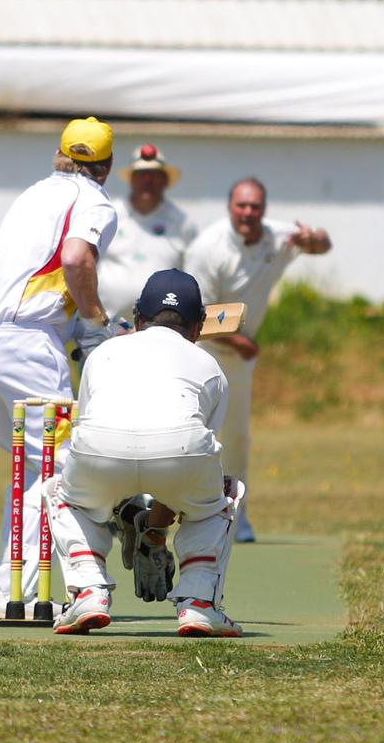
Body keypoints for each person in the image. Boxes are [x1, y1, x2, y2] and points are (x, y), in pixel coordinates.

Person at [0, 119, 119, 614]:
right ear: (106, 168)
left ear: (58, 154)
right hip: (23, 345)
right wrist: (94, 320)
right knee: (65, 467)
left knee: (30, 470)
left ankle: (10, 590)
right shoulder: (95, 200)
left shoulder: (32, 194)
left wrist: (87, 327)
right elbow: (75, 257)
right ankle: (85, 588)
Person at [40, 269, 244, 637]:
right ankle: (199, 603)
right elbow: (192, 464)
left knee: (62, 493)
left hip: (100, 450)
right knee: (220, 496)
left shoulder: (102, 354)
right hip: (180, 454)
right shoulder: (211, 368)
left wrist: (137, 518)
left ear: (137, 319)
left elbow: (91, 430)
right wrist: (154, 530)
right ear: (198, 327)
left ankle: (88, 590)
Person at [184, 177, 332, 542]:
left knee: (236, 438)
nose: (248, 213)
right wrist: (240, 341)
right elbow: (196, 315)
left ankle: (237, 517)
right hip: (202, 351)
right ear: (230, 207)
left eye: (254, 207)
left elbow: (323, 245)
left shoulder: (277, 236)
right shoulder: (208, 249)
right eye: (241, 206)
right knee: (194, 434)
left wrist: (316, 240)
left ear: (263, 209)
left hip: (238, 357)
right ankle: (183, 514)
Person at [97, 143, 198, 328]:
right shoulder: (110, 215)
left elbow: (192, 275)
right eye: (141, 174)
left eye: (154, 175)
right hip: (107, 326)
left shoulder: (182, 223)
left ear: (166, 180)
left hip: (161, 328)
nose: (147, 181)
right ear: (131, 179)